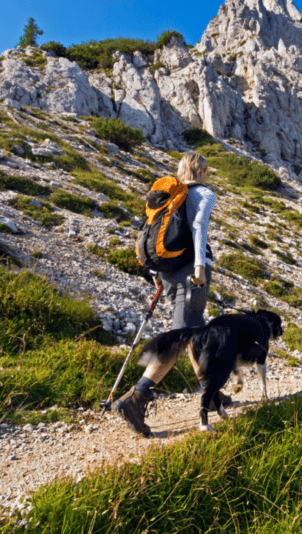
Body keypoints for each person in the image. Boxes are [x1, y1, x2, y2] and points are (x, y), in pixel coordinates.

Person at [113, 150, 226, 437]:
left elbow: (151, 236)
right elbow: (199, 226)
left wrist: (157, 276)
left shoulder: (170, 197)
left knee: (194, 333)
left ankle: (210, 393)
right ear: (201, 171)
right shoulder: (203, 193)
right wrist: (200, 265)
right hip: (192, 272)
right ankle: (136, 399)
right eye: (207, 170)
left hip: (169, 272)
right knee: (180, 338)